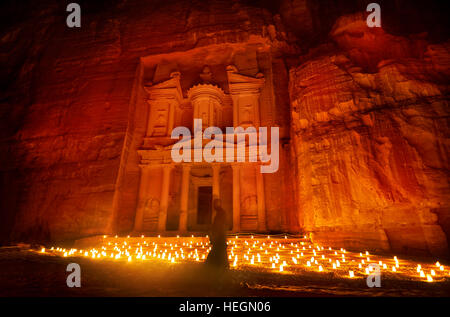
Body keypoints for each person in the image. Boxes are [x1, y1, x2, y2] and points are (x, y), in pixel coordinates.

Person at [204, 198, 229, 269]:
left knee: (218, 252)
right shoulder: (220, 213)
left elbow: (220, 225)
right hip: (220, 236)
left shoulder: (221, 213)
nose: (214, 206)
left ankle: (212, 266)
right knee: (220, 252)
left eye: (215, 204)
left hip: (219, 237)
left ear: (219, 204)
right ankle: (220, 266)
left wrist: (214, 236)